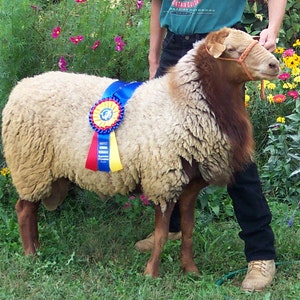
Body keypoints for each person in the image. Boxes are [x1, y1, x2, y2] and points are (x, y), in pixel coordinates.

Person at [134, 0, 287, 292]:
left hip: (223, 50)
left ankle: (260, 253)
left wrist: (273, 28)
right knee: (168, 148)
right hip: (176, 48)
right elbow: (157, 3)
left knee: (232, 151)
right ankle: (172, 228)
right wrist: (154, 56)